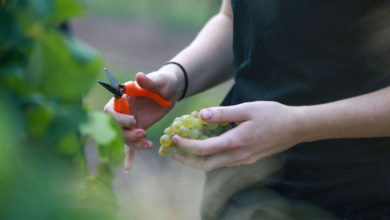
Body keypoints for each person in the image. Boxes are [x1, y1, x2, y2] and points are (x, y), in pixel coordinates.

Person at [104, 0, 390, 219]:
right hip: (239, 191)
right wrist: (177, 78)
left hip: (359, 196)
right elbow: (234, 20)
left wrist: (300, 124)